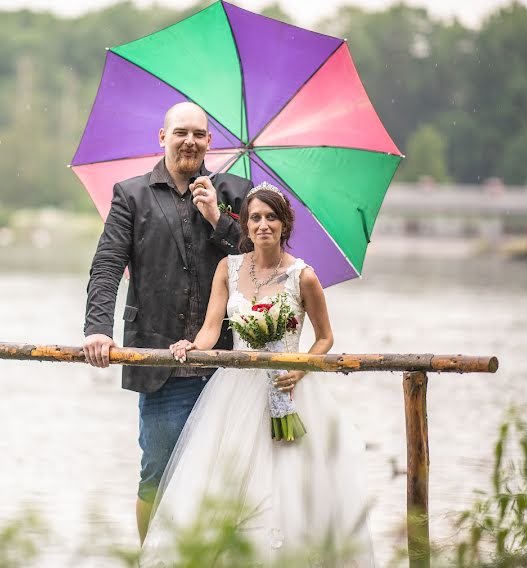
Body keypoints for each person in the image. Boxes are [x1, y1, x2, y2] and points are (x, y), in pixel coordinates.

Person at [139, 183, 376, 567]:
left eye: (271, 217)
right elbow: (212, 328)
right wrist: (192, 346)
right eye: (255, 218)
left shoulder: (304, 277)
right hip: (236, 390)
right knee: (227, 482)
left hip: (289, 387)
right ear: (245, 226)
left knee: (289, 485)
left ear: (285, 225)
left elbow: (325, 338)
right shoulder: (227, 268)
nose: (263, 225)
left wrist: (298, 370)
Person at [82, 102, 252, 542]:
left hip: (226, 364)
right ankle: (150, 557)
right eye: (181, 132)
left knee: (224, 477)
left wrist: (220, 219)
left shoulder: (236, 193)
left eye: (199, 133)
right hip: (159, 362)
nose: (189, 141)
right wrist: (97, 328)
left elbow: (261, 266)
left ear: (210, 142)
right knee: (157, 474)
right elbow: (106, 265)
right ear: (163, 138)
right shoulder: (131, 194)